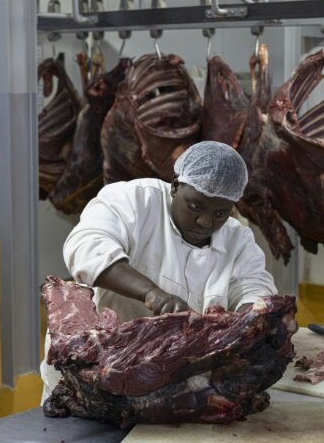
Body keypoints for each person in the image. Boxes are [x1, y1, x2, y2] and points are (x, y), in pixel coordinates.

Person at [40, 141, 278, 401]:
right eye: (195, 206)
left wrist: (250, 318)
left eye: (220, 213)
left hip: (177, 379)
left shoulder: (238, 240)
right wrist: (153, 294)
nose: (206, 222)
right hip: (99, 367)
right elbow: (87, 247)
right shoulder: (134, 200)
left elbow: (254, 286)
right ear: (176, 186)